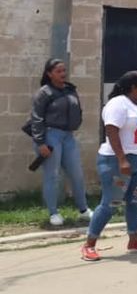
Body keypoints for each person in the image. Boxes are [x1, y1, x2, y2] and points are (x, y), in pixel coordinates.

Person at [80, 71, 137, 261]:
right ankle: (89, 244)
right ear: (133, 87)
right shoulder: (118, 104)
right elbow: (111, 130)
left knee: (135, 201)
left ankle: (134, 239)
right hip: (117, 161)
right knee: (111, 202)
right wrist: (122, 159)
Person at [29, 58, 91, 227]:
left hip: (68, 136)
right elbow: (36, 118)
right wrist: (41, 142)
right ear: (49, 74)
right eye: (58, 71)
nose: (63, 74)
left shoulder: (70, 90)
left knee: (76, 173)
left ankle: (83, 209)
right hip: (50, 135)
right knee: (52, 175)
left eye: (64, 70)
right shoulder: (44, 92)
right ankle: (53, 213)